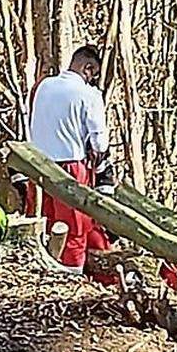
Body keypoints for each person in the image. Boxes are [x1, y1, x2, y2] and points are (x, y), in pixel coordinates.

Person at [27, 45, 114, 268]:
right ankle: (71, 278)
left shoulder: (42, 86)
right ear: (87, 69)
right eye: (92, 74)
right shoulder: (89, 95)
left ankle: (42, 270)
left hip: (36, 163)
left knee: (43, 224)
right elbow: (100, 141)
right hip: (70, 166)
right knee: (75, 228)